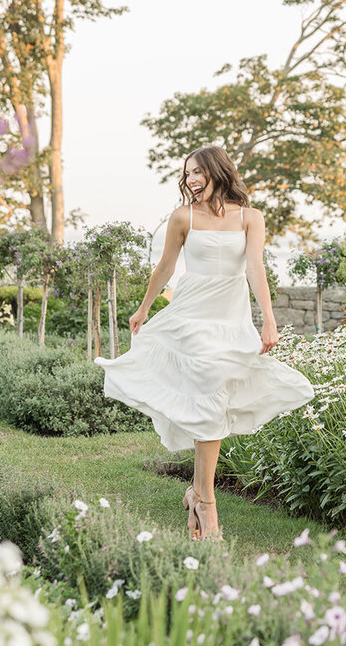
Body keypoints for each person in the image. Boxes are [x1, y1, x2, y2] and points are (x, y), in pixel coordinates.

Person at [95, 145, 315, 540]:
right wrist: (144, 308)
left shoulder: (251, 217)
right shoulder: (183, 217)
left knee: (210, 401)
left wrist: (268, 319)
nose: (192, 179)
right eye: (188, 173)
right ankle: (208, 504)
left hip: (230, 319)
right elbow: (165, 267)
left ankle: (198, 493)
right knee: (211, 393)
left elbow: (254, 268)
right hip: (191, 316)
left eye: (198, 172)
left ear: (217, 170)